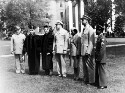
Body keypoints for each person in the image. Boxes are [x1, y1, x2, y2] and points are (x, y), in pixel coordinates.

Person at [80, 15, 95, 84]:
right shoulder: (84, 29)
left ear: (87, 20)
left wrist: (88, 51)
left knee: (89, 66)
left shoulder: (90, 29)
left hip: (87, 51)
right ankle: (86, 79)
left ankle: (91, 80)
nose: (82, 21)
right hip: (83, 50)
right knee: (84, 66)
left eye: (83, 20)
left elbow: (91, 42)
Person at [95, 24, 107, 89]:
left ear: (100, 30)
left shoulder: (102, 38)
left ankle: (103, 84)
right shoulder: (99, 37)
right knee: (100, 70)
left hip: (101, 57)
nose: (96, 31)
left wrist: (99, 58)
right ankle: (100, 83)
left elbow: (102, 50)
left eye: (97, 30)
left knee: (102, 71)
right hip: (99, 57)